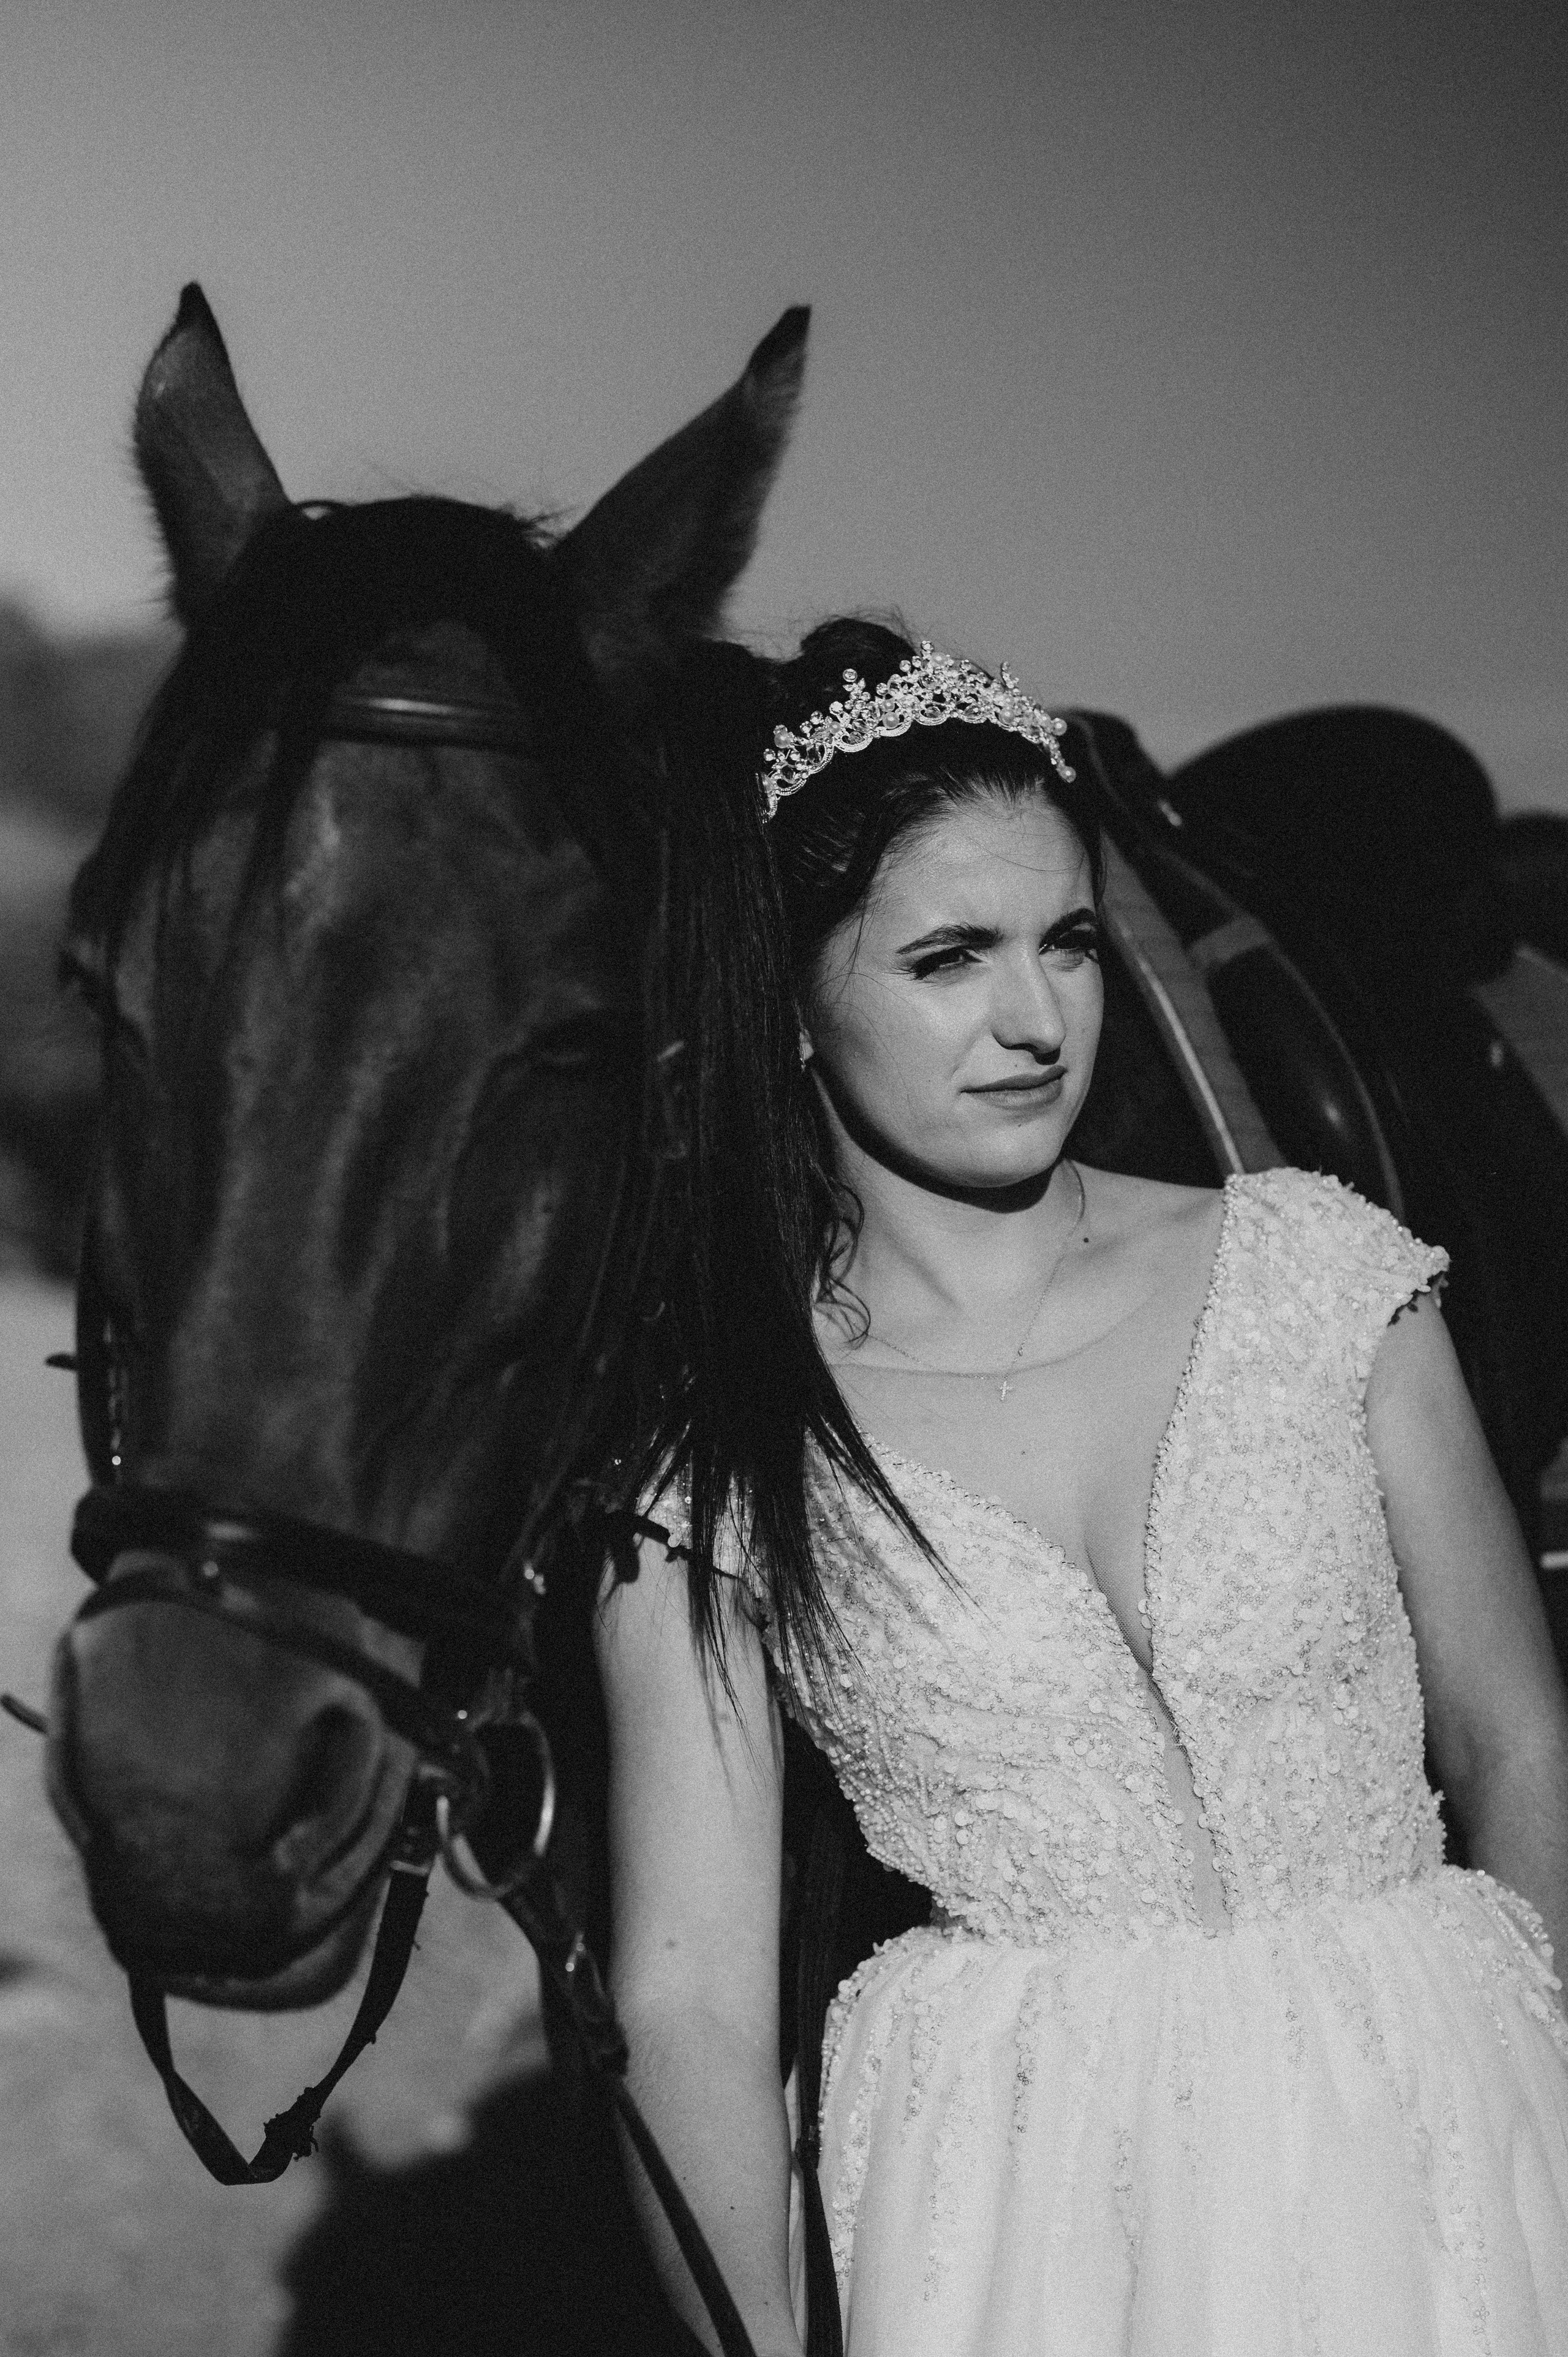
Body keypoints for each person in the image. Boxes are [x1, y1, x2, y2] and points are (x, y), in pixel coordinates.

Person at [596, 619, 1568, 2356]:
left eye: (1067, 944)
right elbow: (686, 2001)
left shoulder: (1321, 1274)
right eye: (950, 957)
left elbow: (1519, 1744)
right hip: (1016, 2210)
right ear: (796, 1002)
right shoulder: (714, 1454)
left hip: (1448, 2122)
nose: (1035, 1019)